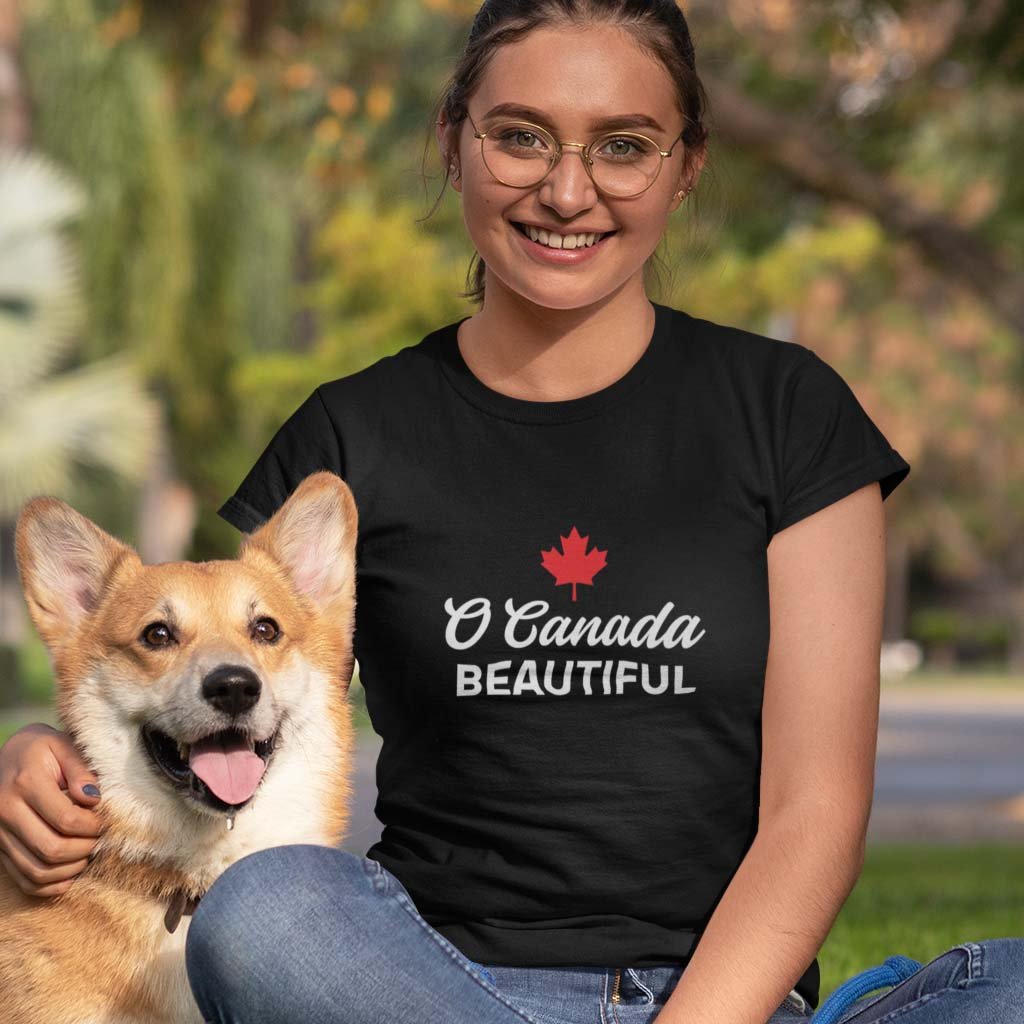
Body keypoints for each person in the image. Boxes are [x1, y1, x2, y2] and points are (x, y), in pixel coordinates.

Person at [2, 2, 1022, 1023]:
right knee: (267, 913)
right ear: (453, 141)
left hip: (728, 1003)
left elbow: (817, 813)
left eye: (624, 147)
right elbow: (224, 672)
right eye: (520, 135)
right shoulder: (351, 433)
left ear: (688, 163)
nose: (567, 190)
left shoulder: (788, 412)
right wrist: (34, 759)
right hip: (422, 988)